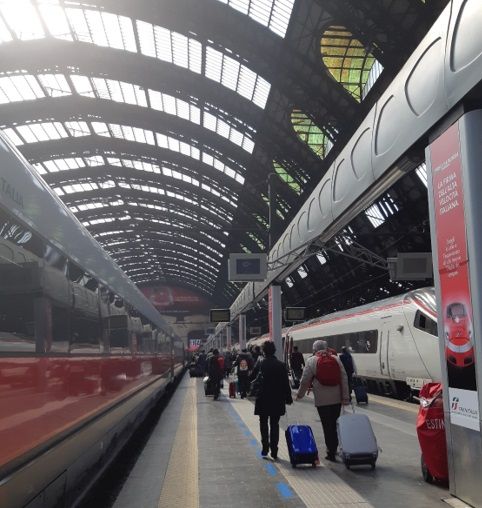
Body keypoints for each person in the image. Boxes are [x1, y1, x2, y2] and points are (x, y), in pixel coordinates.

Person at [296, 340, 349, 462]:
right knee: (334, 424)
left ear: (314, 350)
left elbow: (305, 380)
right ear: (327, 348)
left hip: (322, 400)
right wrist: (345, 397)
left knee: (327, 425)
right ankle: (334, 448)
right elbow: (344, 378)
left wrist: (300, 395)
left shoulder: (311, 361)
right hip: (336, 399)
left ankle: (330, 451)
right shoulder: (336, 359)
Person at [250, 341, 292, 459]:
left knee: (263, 423)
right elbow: (285, 383)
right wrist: (288, 398)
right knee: (275, 424)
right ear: (274, 351)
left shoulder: (260, 364)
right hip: (277, 399)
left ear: (263, 351)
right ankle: (274, 450)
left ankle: (265, 448)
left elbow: (252, 377)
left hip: (262, 398)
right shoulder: (281, 365)